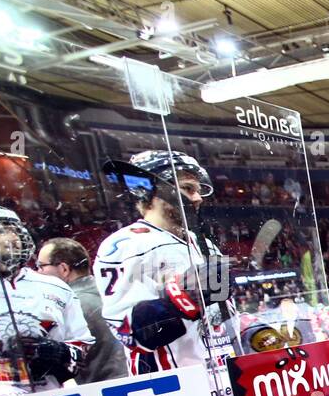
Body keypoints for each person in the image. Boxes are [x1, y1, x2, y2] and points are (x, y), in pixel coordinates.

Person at [96, 149, 233, 378]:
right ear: (151, 190)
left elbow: (220, 315)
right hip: (172, 389)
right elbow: (129, 333)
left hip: (220, 378)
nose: (198, 198)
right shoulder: (127, 244)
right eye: (188, 188)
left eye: (198, 190)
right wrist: (182, 299)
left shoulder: (203, 243)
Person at [0, 204, 92, 392]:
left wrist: (59, 353)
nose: (13, 238)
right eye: (0, 231)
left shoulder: (56, 287)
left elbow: (83, 345)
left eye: (16, 230)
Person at [35, 236, 127, 384]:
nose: (38, 272)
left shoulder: (68, 307)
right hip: (135, 382)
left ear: (64, 269)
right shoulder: (113, 292)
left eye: (41, 266)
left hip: (103, 395)